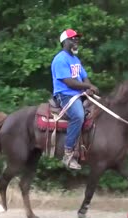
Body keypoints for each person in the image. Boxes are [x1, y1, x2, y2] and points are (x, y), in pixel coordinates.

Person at [51, 28, 99, 170]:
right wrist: (87, 86)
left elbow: (84, 76)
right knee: (78, 116)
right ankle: (68, 154)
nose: (76, 40)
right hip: (65, 95)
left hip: (78, 94)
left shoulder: (75, 59)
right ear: (64, 42)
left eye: (77, 38)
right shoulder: (60, 59)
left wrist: (89, 87)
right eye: (73, 38)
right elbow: (69, 82)